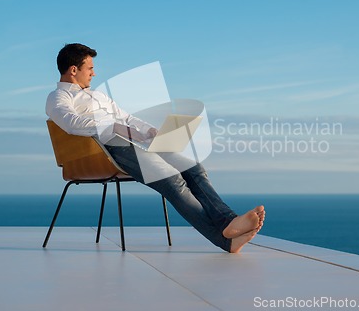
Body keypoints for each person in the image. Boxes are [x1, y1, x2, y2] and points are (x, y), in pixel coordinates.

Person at [46, 43, 265, 253]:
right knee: (174, 181)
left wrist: (153, 132)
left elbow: (127, 118)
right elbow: (71, 123)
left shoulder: (99, 95)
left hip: (132, 142)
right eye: (90, 68)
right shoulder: (59, 97)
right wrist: (114, 127)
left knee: (193, 167)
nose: (94, 73)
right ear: (74, 70)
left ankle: (228, 223)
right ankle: (224, 236)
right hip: (108, 150)